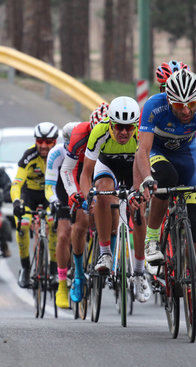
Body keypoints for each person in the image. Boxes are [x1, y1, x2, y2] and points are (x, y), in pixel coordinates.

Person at [134, 69, 196, 319]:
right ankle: (153, 238)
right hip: (157, 153)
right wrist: (147, 178)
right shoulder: (154, 106)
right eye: (179, 105)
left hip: (186, 156)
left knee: (195, 222)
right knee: (166, 179)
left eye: (192, 104)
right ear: (168, 99)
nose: (186, 111)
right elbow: (142, 150)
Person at [79, 96, 151, 303]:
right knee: (102, 192)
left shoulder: (141, 133)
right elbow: (86, 174)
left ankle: (138, 272)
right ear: (110, 123)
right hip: (107, 164)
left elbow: (145, 167)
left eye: (129, 128)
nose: (123, 132)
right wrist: (88, 197)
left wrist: (140, 191)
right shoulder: (99, 132)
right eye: (119, 127)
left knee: (139, 208)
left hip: (133, 167)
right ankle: (105, 254)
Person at [59, 102, 109, 303]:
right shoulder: (80, 135)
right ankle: (78, 274)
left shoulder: (121, 135)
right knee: (80, 221)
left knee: (113, 205)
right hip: (81, 171)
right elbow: (67, 170)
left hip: (106, 169)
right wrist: (74, 194)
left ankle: (110, 253)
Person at [11, 122, 59, 289]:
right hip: (29, 194)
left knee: (53, 224)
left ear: (55, 141)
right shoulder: (28, 156)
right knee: (23, 225)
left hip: (50, 194)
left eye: (48, 142)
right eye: (40, 141)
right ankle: (25, 268)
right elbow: (16, 183)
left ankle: (53, 271)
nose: (44, 145)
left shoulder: (60, 155)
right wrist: (17, 201)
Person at [44, 122, 80, 308]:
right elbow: (49, 187)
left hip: (81, 189)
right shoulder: (57, 153)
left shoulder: (88, 148)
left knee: (84, 230)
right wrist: (55, 202)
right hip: (63, 194)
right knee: (64, 235)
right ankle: (62, 284)